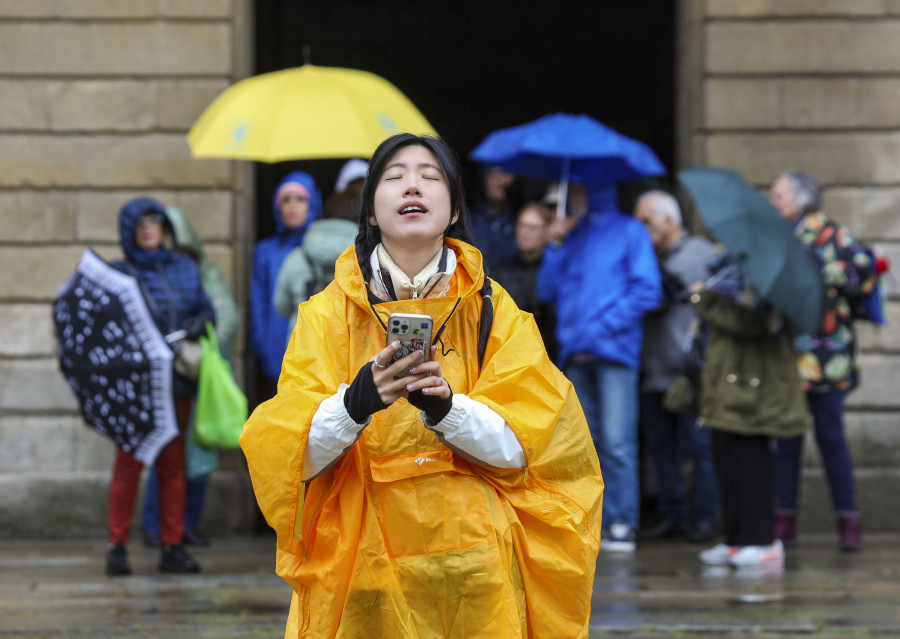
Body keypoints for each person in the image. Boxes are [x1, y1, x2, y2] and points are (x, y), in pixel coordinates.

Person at [240, 133, 603, 638]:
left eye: (430, 177)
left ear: (454, 210)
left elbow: (532, 447)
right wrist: (356, 403)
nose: (413, 185)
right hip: (363, 558)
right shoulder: (325, 315)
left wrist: (447, 410)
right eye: (394, 177)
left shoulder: (494, 311)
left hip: (474, 565)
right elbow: (286, 454)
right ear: (370, 212)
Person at [537, 178, 661, 552]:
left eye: (576, 188)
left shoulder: (630, 231)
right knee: (582, 447)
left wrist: (601, 326)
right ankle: (589, 519)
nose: (571, 195)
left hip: (613, 353)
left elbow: (647, 289)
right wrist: (555, 244)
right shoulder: (572, 234)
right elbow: (546, 290)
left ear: (593, 188)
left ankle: (623, 521)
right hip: (577, 353)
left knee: (618, 442)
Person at [106, 198, 215, 575]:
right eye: (140, 223)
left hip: (178, 381)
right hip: (135, 385)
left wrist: (201, 322)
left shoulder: (185, 266)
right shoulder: (119, 275)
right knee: (129, 464)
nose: (148, 228)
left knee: (172, 466)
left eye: (155, 221)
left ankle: (173, 545)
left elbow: (207, 308)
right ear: (129, 232)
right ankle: (117, 546)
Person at [769, 171, 877, 552]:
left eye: (779, 195)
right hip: (788, 356)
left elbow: (867, 270)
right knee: (787, 441)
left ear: (801, 199)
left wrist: (827, 272)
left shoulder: (834, 236)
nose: (773, 201)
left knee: (831, 438)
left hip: (830, 356)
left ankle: (848, 522)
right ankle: (785, 522)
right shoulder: (778, 239)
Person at [694, 255, 807, 569]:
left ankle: (762, 541)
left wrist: (702, 298)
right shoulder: (736, 271)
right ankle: (735, 539)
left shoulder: (772, 275)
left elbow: (749, 321)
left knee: (751, 464)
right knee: (727, 460)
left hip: (755, 384)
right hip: (731, 378)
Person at [141, 206, 240, 549]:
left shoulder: (207, 275)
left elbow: (227, 318)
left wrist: (200, 333)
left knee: (197, 455)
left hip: (202, 375)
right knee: (166, 451)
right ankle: (156, 525)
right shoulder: (155, 273)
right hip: (168, 374)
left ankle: (186, 525)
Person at [633, 191, 720, 543]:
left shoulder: (699, 253)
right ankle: (673, 516)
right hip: (654, 369)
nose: (641, 229)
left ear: (670, 220)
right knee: (662, 449)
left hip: (690, 371)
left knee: (701, 449)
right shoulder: (648, 255)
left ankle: (706, 518)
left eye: (647, 222)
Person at [250, 172, 322, 398]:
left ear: (312, 205)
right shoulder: (265, 251)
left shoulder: (322, 249)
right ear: (277, 206)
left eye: (300, 199)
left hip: (315, 342)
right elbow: (257, 300)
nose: (292, 206)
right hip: (274, 341)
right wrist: (260, 342)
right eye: (286, 200)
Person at [272, 216, 358, 346]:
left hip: (303, 346)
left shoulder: (295, 258)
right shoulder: (365, 258)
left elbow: (282, 306)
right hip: (348, 346)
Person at [491, 201, 558, 361]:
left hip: (548, 358)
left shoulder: (556, 270)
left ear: (546, 232)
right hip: (511, 356)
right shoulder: (502, 270)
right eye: (522, 225)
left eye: (533, 228)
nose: (525, 232)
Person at [469, 164, 518, 272]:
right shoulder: (468, 219)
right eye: (494, 174)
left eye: (505, 173)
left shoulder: (520, 220)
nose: (500, 180)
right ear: (484, 180)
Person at [322, 158, 368, 222]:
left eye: (364, 182)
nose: (360, 186)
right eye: (355, 182)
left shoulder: (373, 205)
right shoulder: (335, 204)